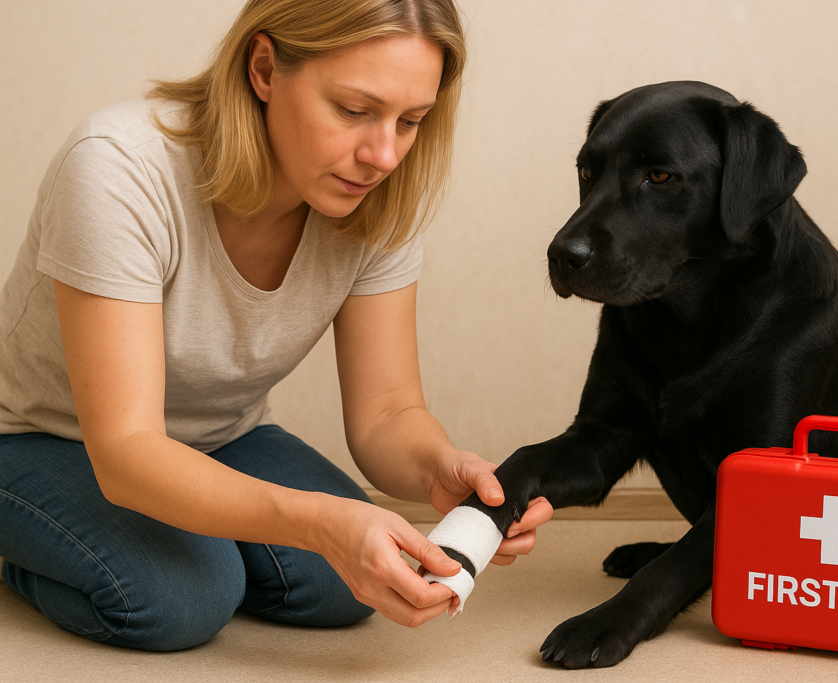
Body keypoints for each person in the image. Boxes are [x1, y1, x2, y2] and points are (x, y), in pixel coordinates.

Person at [0, 0, 552, 652]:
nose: (383, 155)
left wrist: (440, 466)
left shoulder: (373, 200)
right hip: (39, 435)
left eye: (410, 121)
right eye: (354, 109)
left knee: (343, 584)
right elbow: (126, 450)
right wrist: (314, 524)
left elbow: (387, 413)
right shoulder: (119, 166)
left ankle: (198, 549)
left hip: (219, 436)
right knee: (183, 597)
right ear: (264, 69)